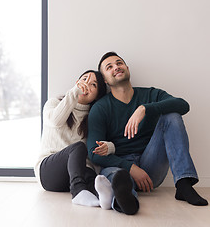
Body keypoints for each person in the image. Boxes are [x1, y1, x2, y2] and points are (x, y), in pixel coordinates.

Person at [87, 52, 208, 215]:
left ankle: (184, 184)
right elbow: (94, 153)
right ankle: (126, 201)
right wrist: (131, 168)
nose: (116, 67)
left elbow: (183, 105)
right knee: (116, 177)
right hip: (119, 166)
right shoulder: (100, 108)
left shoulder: (150, 95)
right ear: (105, 80)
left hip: (151, 166)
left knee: (172, 115)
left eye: (119, 63)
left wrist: (145, 108)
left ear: (127, 69)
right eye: (109, 67)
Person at [34, 70, 115, 209]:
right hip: (48, 173)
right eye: (84, 80)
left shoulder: (93, 116)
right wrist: (74, 92)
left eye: (93, 84)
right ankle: (78, 192)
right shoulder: (55, 102)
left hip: (76, 174)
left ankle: (105, 198)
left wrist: (109, 146)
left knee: (91, 174)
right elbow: (55, 121)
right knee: (78, 147)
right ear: (77, 83)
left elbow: (103, 141)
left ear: (98, 94)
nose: (86, 85)